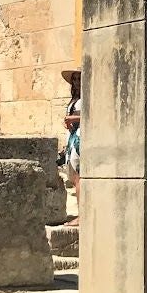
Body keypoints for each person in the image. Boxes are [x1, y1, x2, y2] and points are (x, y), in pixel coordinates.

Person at [61, 68, 82, 226]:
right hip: (72, 138)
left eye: (79, 79)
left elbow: (90, 114)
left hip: (80, 137)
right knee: (74, 176)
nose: (75, 82)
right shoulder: (75, 99)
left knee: (78, 178)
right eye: (74, 79)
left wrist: (71, 118)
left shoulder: (86, 97)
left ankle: (82, 215)